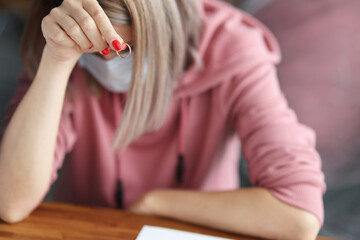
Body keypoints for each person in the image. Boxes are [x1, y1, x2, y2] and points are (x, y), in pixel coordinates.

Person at [0, 0, 325, 239]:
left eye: (125, 49)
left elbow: (299, 215)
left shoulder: (232, 47)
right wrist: (58, 60)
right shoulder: (60, 43)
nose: (109, 64)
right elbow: (10, 203)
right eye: (93, 52)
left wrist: (155, 202)